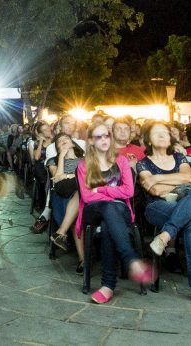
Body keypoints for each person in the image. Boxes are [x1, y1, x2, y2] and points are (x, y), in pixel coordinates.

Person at [136, 121, 191, 309]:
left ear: (171, 138)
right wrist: (175, 182)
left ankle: (165, 236)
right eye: (156, 133)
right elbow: (157, 192)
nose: (161, 136)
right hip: (158, 207)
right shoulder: (142, 163)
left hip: (183, 206)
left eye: (165, 133)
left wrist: (157, 177)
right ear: (148, 139)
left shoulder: (178, 157)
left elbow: (189, 178)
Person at [76, 120, 155, 304]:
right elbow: (87, 197)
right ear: (90, 141)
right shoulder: (84, 165)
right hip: (93, 210)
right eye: (99, 136)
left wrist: (101, 190)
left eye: (107, 135)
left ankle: (108, 286)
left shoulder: (121, 160)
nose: (104, 139)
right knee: (108, 208)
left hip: (120, 210)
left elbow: (129, 191)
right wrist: (111, 195)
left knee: (107, 225)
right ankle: (130, 259)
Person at [48, 134, 85, 267]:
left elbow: (90, 177)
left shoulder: (85, 160)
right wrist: (62, 156)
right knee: (76, 204)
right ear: (57, 148)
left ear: (73, 144)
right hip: (63, 195)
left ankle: (60, 233)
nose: (63, 141)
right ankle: (82, 260)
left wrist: (68, 175)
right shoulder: (54, 160)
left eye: (66, 139)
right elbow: (57, 179)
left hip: (82, 194)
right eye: (59, 141)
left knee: (77, 211)